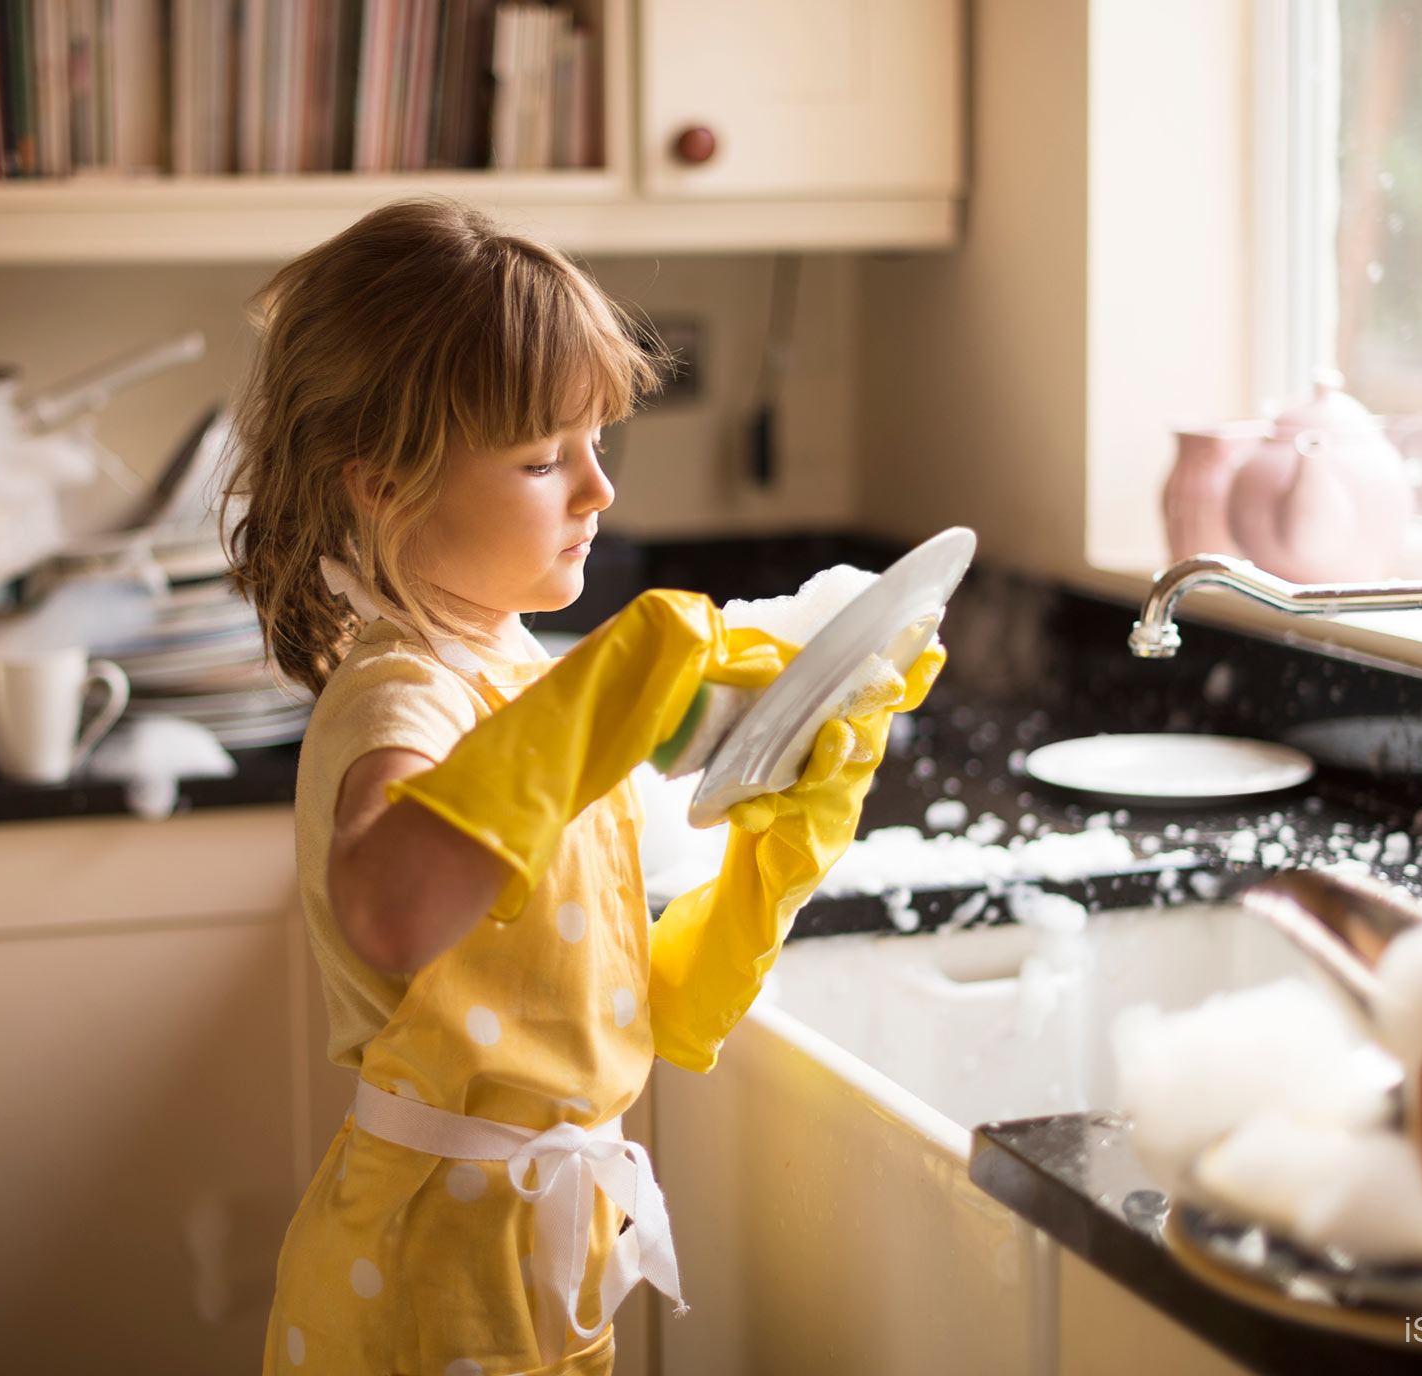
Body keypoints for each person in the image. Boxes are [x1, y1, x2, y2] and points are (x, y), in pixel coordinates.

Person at [224, 198, 944, 1376]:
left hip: (534, 1254)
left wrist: (779, 847)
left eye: (595, 443)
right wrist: (623, 689)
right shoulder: (404, 694)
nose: (597, 490)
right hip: (420, 1277)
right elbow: (391, 909)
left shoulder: (515, 667)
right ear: (384, 483)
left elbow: (624, 1005)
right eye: (543, 458)